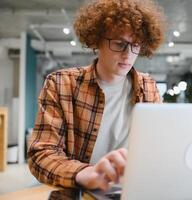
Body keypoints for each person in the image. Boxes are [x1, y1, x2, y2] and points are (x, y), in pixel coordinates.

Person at [28, 0, 165, 191]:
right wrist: (86, 173)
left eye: (136, 45)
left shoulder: (148, 87)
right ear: (97, 40)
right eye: (119, 44)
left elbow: (157, 147)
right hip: (81, 191)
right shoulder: (61, 84)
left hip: (133, 190)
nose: (128, 55)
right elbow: (41, 154)